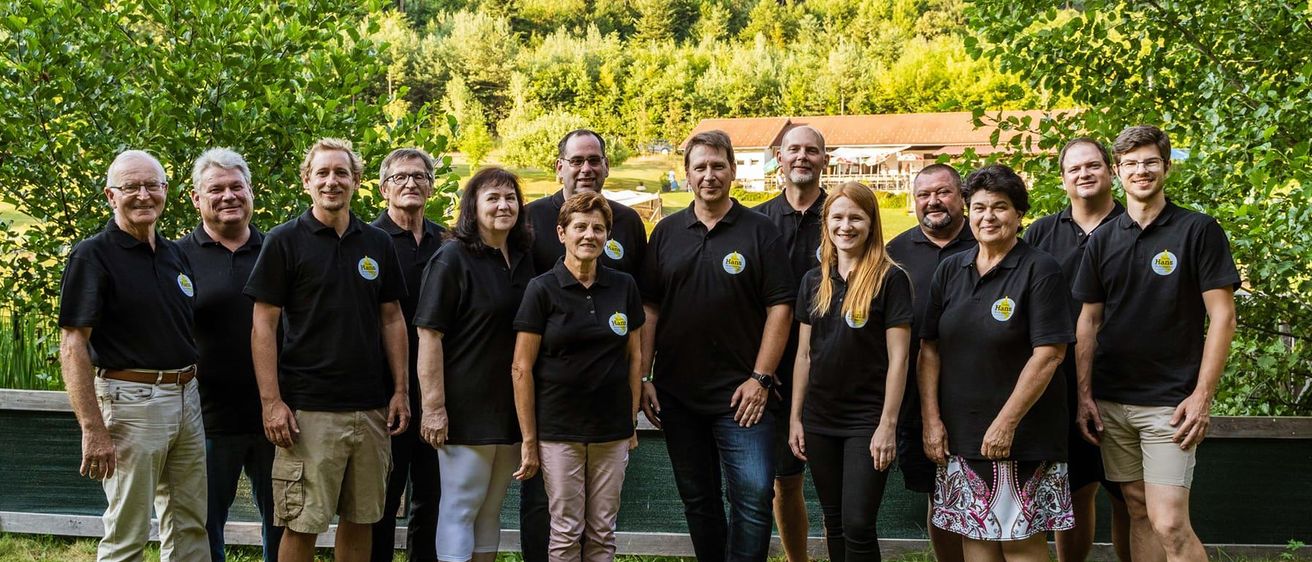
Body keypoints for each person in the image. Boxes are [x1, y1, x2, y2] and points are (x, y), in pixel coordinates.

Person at [1073, 125, 1239, 562]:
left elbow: (1223, 317)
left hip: (1171, 402)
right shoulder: (1103, 240)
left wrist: (1202, 396)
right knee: (1138, 510)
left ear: (1166, 166)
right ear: (1117, 171)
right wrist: (1084, 394)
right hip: (1112, 400)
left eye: (1150, 162)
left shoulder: (1198, 230)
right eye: (1131, 163)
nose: (1141, 171)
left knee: (1169, 521)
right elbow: (1088, 322)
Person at [245, 138, 411, 562]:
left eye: (341, 173)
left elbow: (392, 319)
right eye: (322, 173)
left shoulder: (377, 243)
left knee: (362, 520)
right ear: (307, 181)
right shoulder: (284, 242)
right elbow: (263, 325)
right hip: (308, 412)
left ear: (357, 181)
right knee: (302, 523)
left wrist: (400, 391)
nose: (332, 181)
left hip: (371, 410)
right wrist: (271, 403)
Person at [639, 130, 795, 562]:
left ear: (732, 170)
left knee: (755, 496)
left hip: (743, 396)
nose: (709, 175)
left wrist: (760, 378)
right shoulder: (666, 232)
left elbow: (780, 309)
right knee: (699, 499)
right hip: (678, 394)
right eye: (700, 167)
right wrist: (644, 375)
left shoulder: (761, 232)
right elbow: (650, 309)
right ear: (686, 174)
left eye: (718, 166)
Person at [58, 150, 210, 561]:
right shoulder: (93, 256)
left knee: (190, 525)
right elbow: (73, 345)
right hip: (131, 404)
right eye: (131, 187)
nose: (143, 195)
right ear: (111, 195)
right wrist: (92, 427)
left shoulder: (174, 254)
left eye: (152, 185)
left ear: (165, 190)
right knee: (128, 532)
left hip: (186, 399)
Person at [920, 164, 1075, 561]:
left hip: (1024, 433)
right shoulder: (951, 269)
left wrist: (1006, 423)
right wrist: (932, 419)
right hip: (961, 431)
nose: (988, 217)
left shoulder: (1040, 269)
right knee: (977, 537)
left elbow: (1050, 354)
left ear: (1020, 214)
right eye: (979, 207)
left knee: (1020, 542)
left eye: (1000, 207)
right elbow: (930, 349)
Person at [520, 130, 647, 561]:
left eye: (595, 160)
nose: (587, 169)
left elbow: (635, 351)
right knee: (561, 526)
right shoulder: (530, 224)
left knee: (601, 531)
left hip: (609, 421)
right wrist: (528, 434)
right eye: (576, 161)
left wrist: (631, 415)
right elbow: (522, 364)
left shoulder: (627, 245)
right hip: (556, 417)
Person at [414, 167, 534, 562]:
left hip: (512, 407)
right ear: (473, 207)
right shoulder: (452, 258)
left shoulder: (522, 260)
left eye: (510, 198)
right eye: (493, 198)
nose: (504, 205)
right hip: (465, 407)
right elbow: (429, 335)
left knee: (489, 510)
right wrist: (433, 408)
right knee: (460, 506)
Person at [788, 182, 913, 562]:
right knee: (835, 520)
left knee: (859, 524)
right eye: (837, 217)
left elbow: (900, 359)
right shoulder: (814, 281)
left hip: (867, 421)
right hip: (820, 418)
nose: (846, 226)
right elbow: (804, 355)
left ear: (872, 223)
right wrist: (796, 418)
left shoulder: (891, 280)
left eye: (856, 217)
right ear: (826, 224)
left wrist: (887, 425)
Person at [1023, 138, 1131, 562]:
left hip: (1124, 381)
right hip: (1058, 384)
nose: (1084, 174)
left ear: (1111, 171)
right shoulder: (1042, 233)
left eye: (1093, 166)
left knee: (1128, 495)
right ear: (1063, 178)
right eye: (1074, 169)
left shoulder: (1134, 225)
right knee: (1074, 491)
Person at [178, 148, 281, 562]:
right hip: (205, 418)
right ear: (195, 198)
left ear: (251, 191)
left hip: (276, 415)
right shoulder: (175, 256)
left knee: (283, 520)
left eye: (236, 186)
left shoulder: (278, 249)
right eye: (215, 189)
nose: (228, 196)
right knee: (203, 525)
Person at [884, 163, 974, 562]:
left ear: (961, 197)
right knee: (939, 493)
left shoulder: (986, 239)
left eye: (943, 192)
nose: (933, 201)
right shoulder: (894, 254)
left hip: (979, 394)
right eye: (924, 195)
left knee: (982, 492)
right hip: (915, 401)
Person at [753, 125, 828, 561]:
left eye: (811, 151)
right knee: (785, 481)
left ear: (824, 159)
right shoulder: (757, 220)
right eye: (793, 150)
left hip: (836, 370)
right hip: (777, 376)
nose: (802, 157)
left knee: (841, 489)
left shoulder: (840, 214)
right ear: (779, 157)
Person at [370, 148, 446, 562]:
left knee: (432, 497)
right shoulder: (370, 242)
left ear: (431, 187)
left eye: (419, 177)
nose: (410, 184)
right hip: (386, 391)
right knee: (382, 498)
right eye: (400, 178)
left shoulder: (449, 242)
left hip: (437, 391)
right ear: (383, 189)